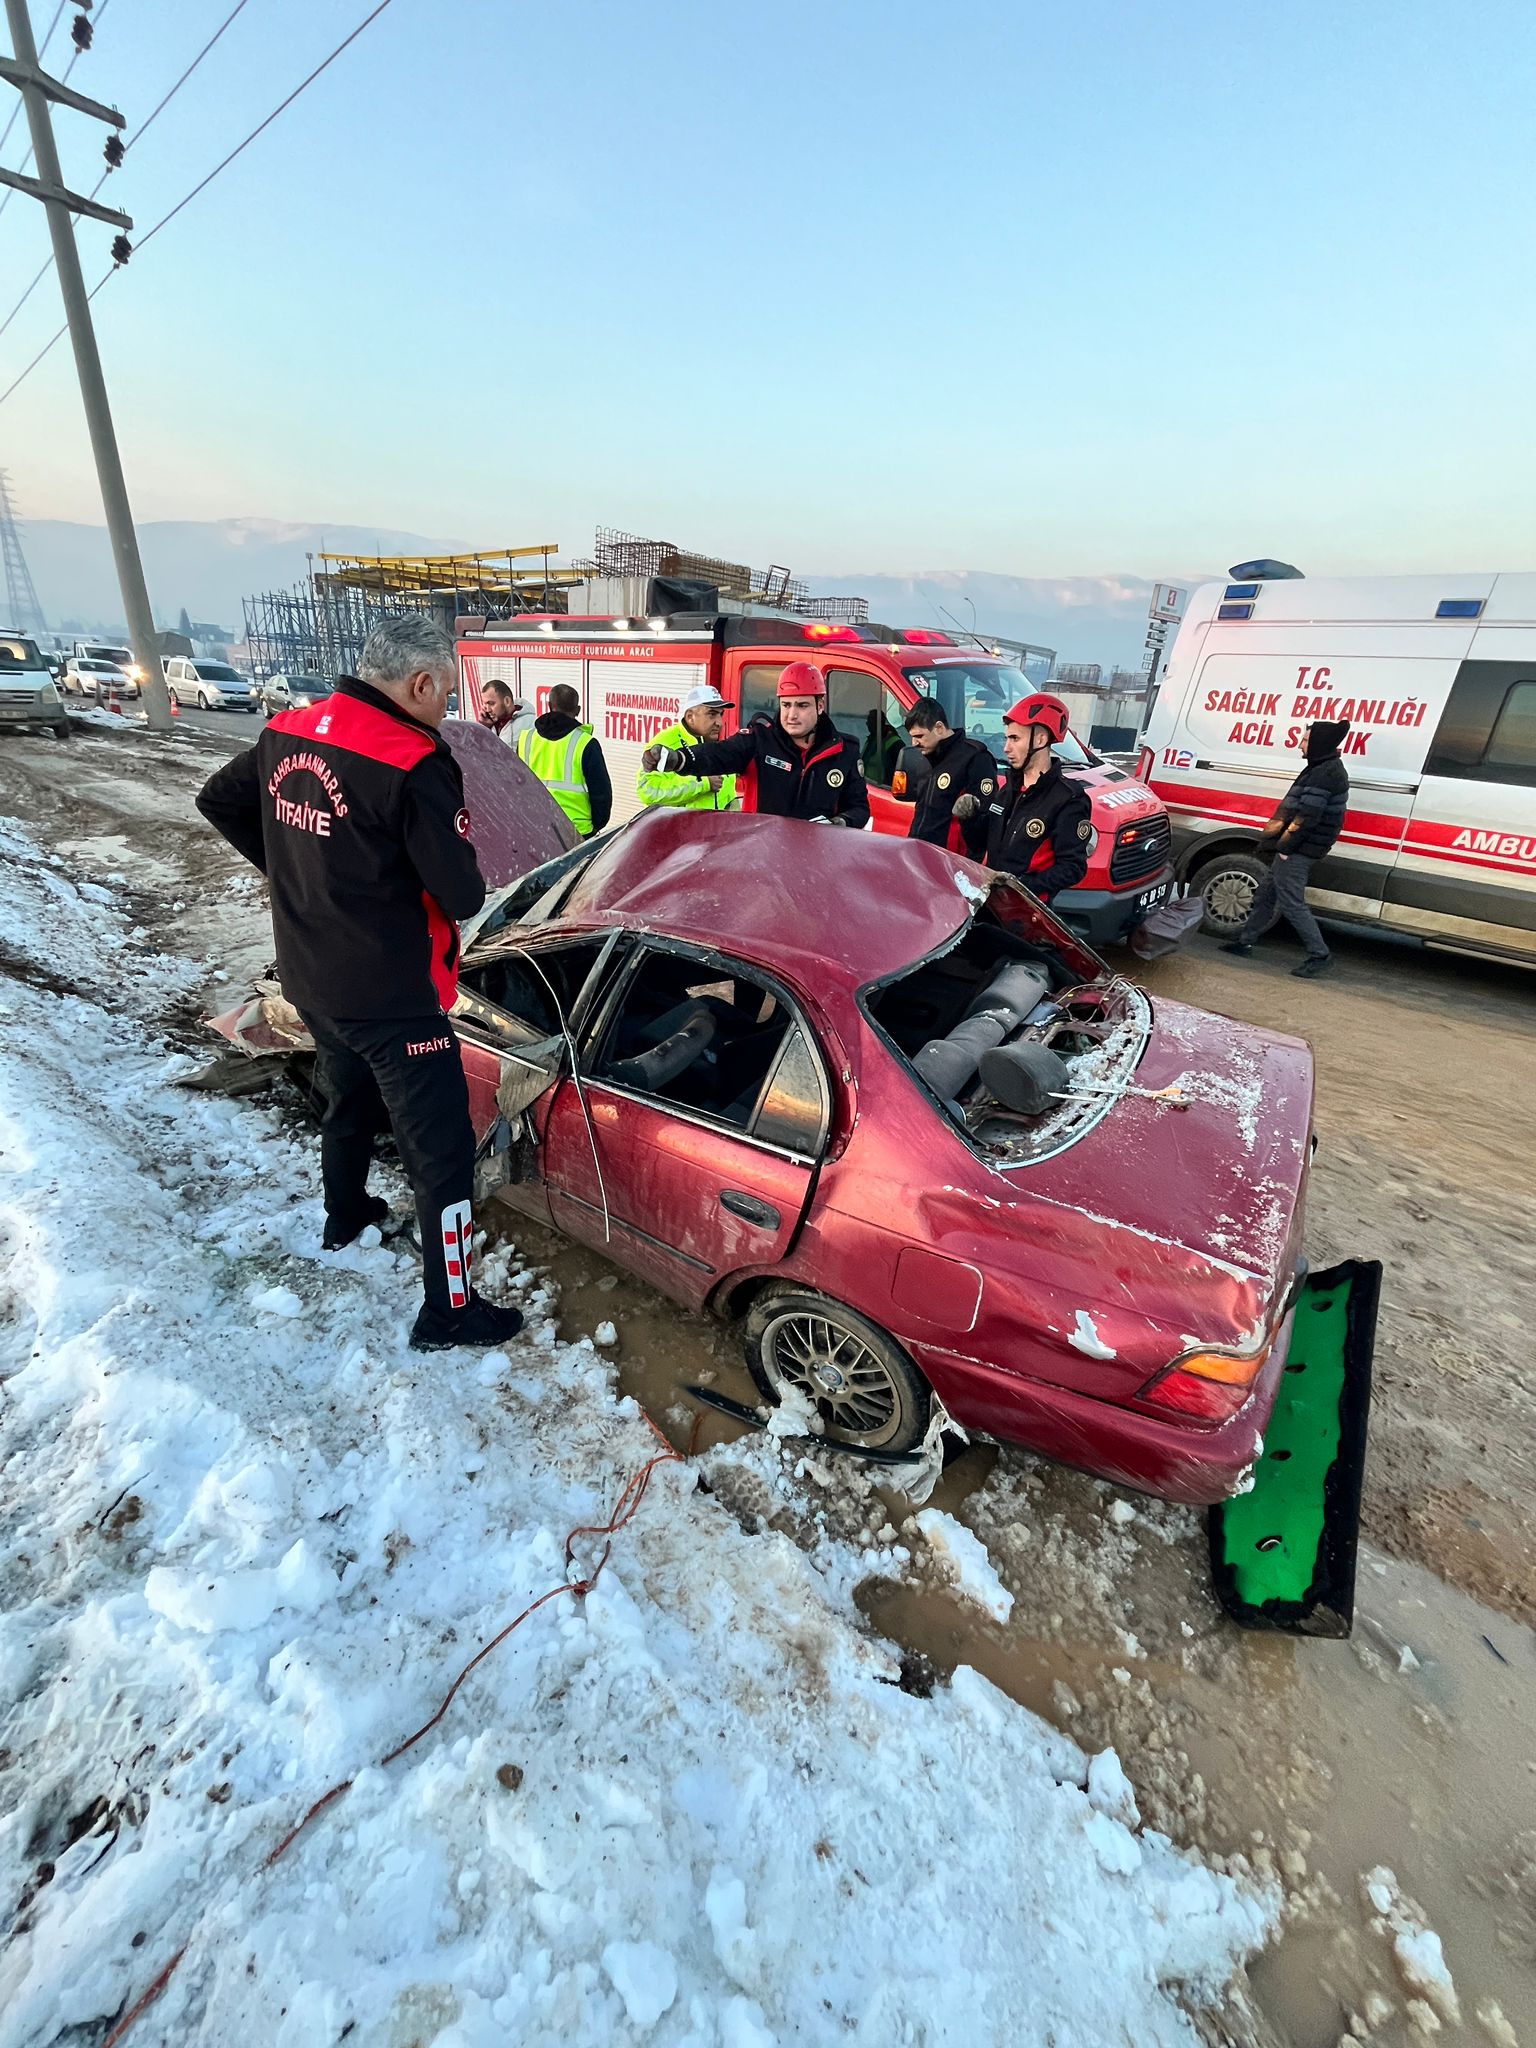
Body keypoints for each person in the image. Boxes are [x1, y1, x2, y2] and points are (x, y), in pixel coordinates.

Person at [194, 615, 524, 1353]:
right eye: (446, 692)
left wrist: (298, 877)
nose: (449, 707)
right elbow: (464, 894)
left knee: (347, 1102)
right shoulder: (414, 760)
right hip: (396, 998)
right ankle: (449, 1312)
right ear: (419, 683)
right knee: (440, 1156)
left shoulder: (290, 727)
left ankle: (344, 1214)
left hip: (313, 978)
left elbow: (218, 800)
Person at [639, 661, 870, 825]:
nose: (791, 715)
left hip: (815, 864)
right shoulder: (760, 740)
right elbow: (719, 754)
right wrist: (679, 759)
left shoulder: (844, 751)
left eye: (802, 705)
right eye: (786, 705)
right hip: (762, 861)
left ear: (820, 706)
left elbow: (859, 809)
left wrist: (839, 822)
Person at [1220, 719, 1350, 977]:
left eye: (1304, 740)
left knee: (1292, 903)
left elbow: (1306, 817)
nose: (1299, 745)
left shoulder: (1325, 772)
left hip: (1300, 849)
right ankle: (1245, 940)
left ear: (1318, 744)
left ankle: (1319, 955)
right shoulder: (1320, 766)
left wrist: (1286, 847)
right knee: (1267, 893)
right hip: (1298, 846)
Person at [959, 692, 1090, 902]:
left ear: (1040, 739)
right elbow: (980, 844)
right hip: (994, 903)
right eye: (1006, 738)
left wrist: (1021, 885)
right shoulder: (1008, 789)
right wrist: (969, 819)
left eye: (1015, 739)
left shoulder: (1068, 799)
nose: (1006, 748)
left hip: (1029, 912)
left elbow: (1073, 868)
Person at [901, 695, 996, 855]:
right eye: (912, 737)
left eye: (919, 736)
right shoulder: (926, 757)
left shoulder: (974, 758)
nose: (914, 743)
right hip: (919, 852)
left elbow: (983, 821)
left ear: (939, 728)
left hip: (951, 859)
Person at [514, 681, 612, 837]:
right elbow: (601, 793)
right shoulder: (585, 743)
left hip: (535, 827)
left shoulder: (526, 739)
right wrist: (596, 826)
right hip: (576, 832)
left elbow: (516, 784)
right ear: (578, 710)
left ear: (549, 705)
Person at [637, 684, 737, 811]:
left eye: (720, 714)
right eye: (712, 714)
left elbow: (730, 799)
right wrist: (703, 784)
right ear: (690, 717)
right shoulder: (666, 743)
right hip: (681, 830)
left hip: (717, 829)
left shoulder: (719, 745)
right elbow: (648, 791)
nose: (719, 722)